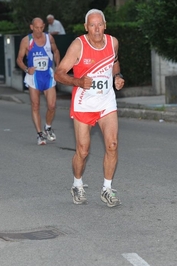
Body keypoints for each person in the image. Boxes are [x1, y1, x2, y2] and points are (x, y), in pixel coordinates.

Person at [54, 9, 125, 207]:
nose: (96, 29)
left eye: (99, 24)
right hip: (84, 103)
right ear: (86, 27)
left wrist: (117, 77)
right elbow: (59, 73)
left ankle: (107, 189)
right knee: (83, 151)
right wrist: (77, 81)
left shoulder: (113, 43)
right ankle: (77, 184)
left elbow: (115, 63)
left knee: (112, 145)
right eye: (92, 25)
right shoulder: (78, 45)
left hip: (106, 102)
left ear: (105, 25)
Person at [16, 17, 61, 145]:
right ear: (31, 27)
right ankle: (39, 134)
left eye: (41, 27)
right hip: (34, 77)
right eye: (37, 28)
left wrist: (58, 67)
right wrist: (26, 69)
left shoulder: (49, 38)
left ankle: (47, 127)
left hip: (47, 74)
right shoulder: (26, 41)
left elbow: (56, 51)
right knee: (35, 105)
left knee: (52, 105)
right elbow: (19, 59)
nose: (39, 30)